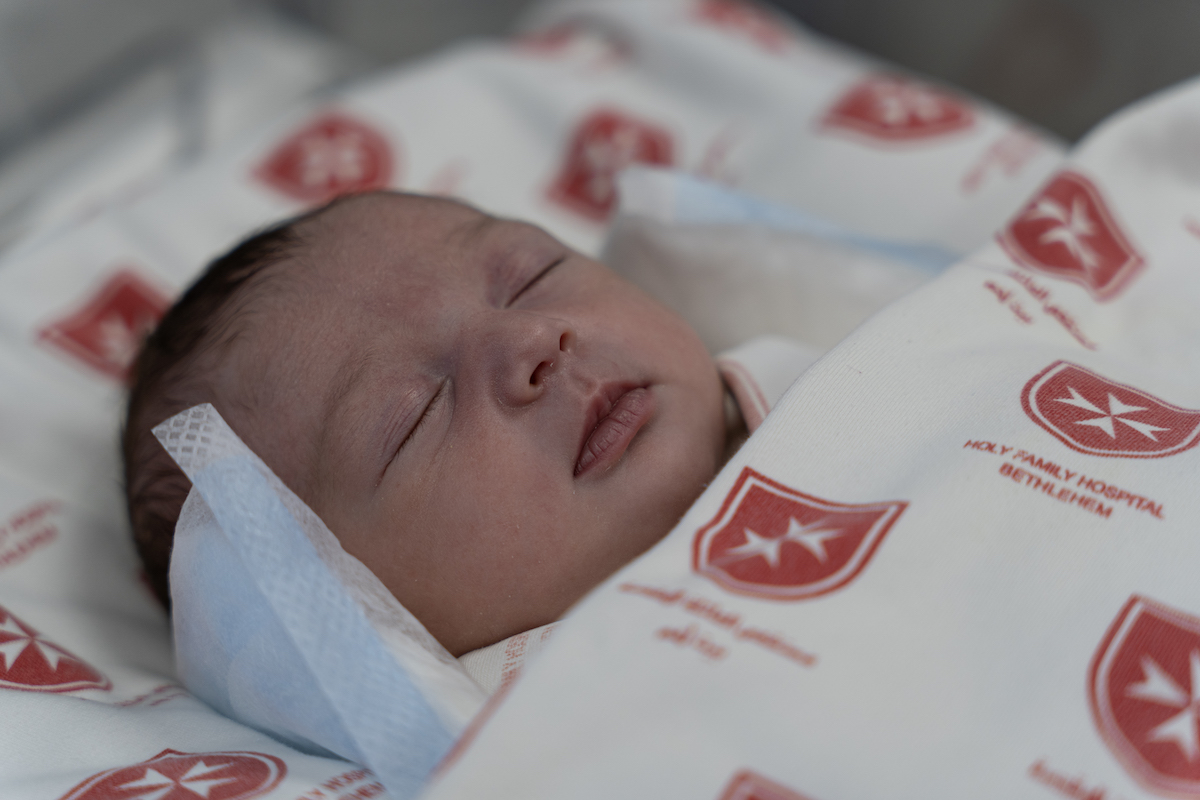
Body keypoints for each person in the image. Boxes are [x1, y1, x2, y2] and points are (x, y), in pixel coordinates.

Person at [124, 190, 749, 658]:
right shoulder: (526, 745)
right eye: (416, 417)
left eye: (532, 276)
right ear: (349, 614)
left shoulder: (830, 366)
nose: (532, 336)